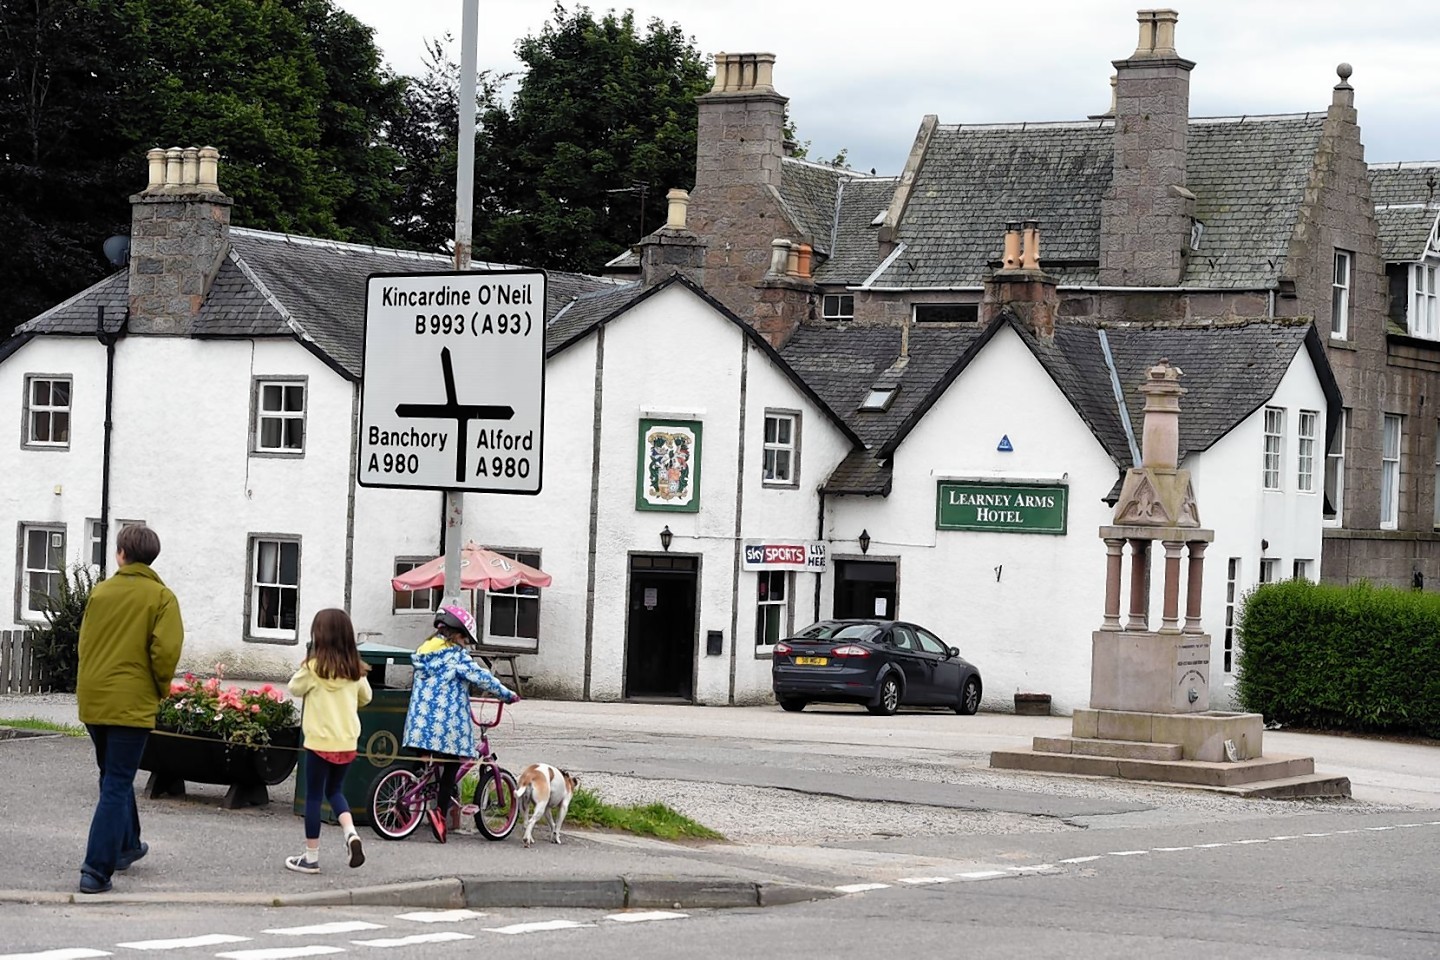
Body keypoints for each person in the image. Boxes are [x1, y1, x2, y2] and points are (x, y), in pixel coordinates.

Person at [76, 524, 184, 895]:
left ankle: (127, 845)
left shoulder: (100, 593)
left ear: (120, 553)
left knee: (112, 775)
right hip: (131, 703)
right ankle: (95, 869)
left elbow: (84, 646)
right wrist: (160, 688)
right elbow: (165, 653)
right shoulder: (161, 597)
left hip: (94, 699)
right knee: (117, 782)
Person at [402, 604, 519, 842]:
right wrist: (508, 695)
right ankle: (439, 812)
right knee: (453, 764)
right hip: (444, 727)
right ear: (457, 634)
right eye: (466, 639)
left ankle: (409, 794)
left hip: (418, 723)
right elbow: (484, 678)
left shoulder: (424, 652)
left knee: (424, 761)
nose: (467, 644)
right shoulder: (456, 657)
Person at [285, 608, 373, 874]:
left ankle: (311, 857)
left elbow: (293, 688)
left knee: (314, 797)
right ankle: (350, 833)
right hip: (346, 743)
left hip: (319, 743)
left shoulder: (313, 669)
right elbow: (366, 697)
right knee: (335, 792)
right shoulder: (355, 670)